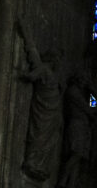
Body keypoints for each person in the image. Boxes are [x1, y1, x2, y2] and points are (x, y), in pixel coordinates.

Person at [18, 19, 64, 182]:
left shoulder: (53, 74)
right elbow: (32, 74)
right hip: (43, 109)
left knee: (49, 139)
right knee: (39, 135)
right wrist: (22, 74)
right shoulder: (44, 69)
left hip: (52, 110)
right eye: (57, 58)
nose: (59, 62)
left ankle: (41, 165)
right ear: (52, 59)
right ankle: (32, 162)